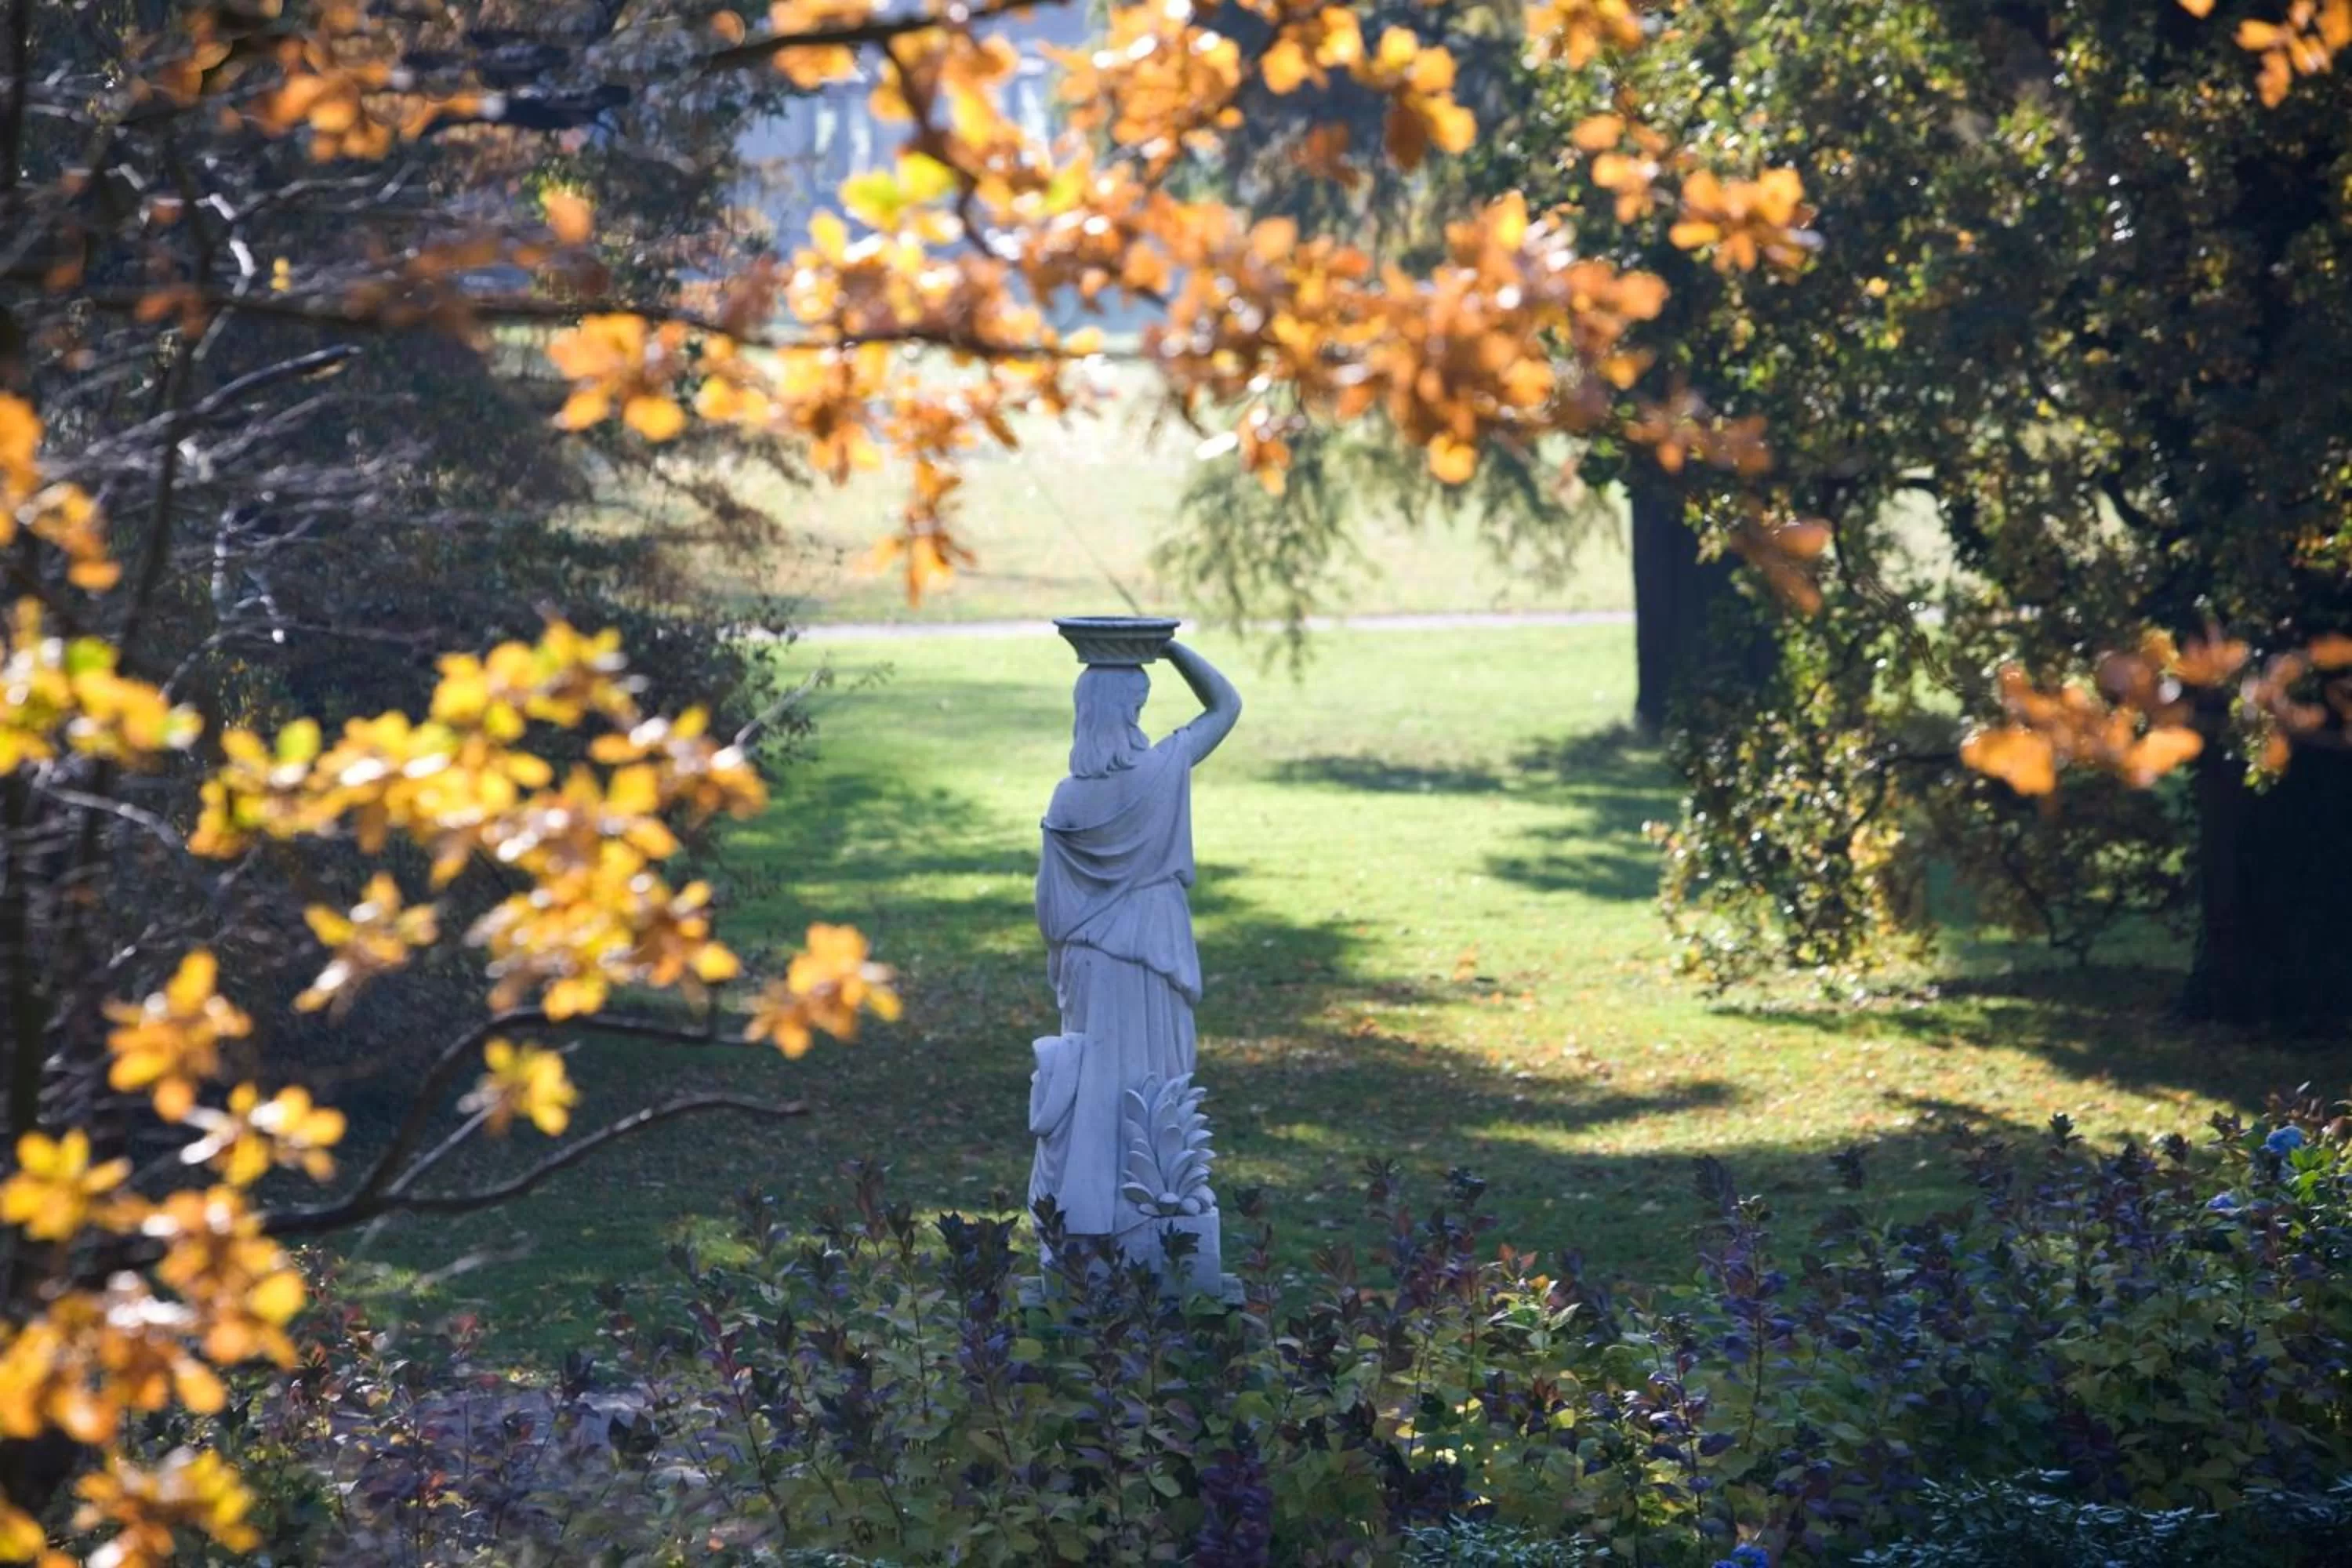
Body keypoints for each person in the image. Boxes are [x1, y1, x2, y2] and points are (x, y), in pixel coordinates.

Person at [1029, 642, 1241, 1245]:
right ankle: (1154, 1215)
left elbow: (1051, 907)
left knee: (1096, 1078)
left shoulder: (1069, 798)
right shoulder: (1161, 770)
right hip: (1154, 949)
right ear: (1128, 712)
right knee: (1155, 1078)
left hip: (1091, 961)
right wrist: (1170, 649)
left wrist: (1065, 953)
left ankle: (1088, 1214)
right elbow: (1226, 705)